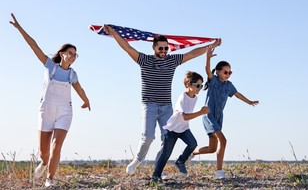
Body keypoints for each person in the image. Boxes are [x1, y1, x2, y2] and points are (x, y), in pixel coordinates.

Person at [103, 24, 221, 175]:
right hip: (149, 105)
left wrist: (211, 45)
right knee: (148, 137)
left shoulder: (171, 61)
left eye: (166, 48)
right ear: (154, 48)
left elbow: (191, 53)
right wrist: (113, 33)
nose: (164, 51)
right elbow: (127, 48)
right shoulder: (144, 60)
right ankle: (138, 159)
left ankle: (159, 169)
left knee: (166, 140)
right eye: (161, 48)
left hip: (166, 107)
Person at [9, 13, 91, 188]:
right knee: (43, 152)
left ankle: (50, 179)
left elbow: (80, 89)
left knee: (56, 147)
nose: (72, 56)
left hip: (64, 111)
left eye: (75, 54)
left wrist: (86, 100)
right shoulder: (49, 66)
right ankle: (44, 163)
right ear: (62, 54)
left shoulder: (72, 74)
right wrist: (19, 28)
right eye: (70, 53)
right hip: (46, 110)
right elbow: (33, 45)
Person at [191, 46, 258, 179]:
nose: (228, 74)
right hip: (209, 115)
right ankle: (219, 172)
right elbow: (207, 71)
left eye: (230, 72)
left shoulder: (229, 85)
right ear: (218, 72)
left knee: (212, 148)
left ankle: (191, 153)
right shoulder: (214, 80)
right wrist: (208, 58)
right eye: (225, 72)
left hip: (218, 117)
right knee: (224, 140)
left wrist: (249, 102)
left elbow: (237, 94)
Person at [151, 71, 210, 183]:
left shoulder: (195, 98)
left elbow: (186, 119)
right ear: (188, 84)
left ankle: (180, 161)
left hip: (183, 128)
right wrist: (201, 112)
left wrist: (201, 111)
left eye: (201, 86)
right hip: (172, 129)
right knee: (166, 154)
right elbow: (185, 117)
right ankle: (156, 175)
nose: (199, 88)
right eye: (197, 85)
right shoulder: (182, 98)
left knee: (192, 143)